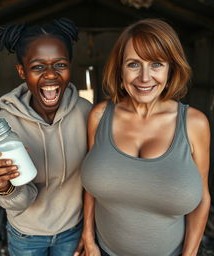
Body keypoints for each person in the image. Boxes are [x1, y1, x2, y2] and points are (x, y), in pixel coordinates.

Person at [79, 18, 211, 256]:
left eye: (157, 64)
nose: (144, 77)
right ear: (120, 69)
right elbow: (91, 188)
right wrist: (88, 239)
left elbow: (202, 199)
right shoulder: (99, 116)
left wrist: (189, 255)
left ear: (171, 69)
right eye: (133, 64)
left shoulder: (194, 123)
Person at [0, 18, 92, 256]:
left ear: (70, 66)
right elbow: (22, 198)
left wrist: (89, 232)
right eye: (38, 67)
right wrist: (3, 187)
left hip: (72, 229)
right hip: (26, 234)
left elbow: (94, 179)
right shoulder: (4, 124)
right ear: (22, 70)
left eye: (60, 65)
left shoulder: (86, 112)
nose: (51, 75)